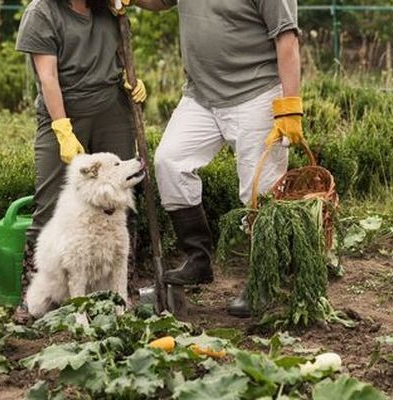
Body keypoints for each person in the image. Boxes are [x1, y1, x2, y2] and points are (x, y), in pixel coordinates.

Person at [126, 0, 304, 317]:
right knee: (170, 161)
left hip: (257, 93)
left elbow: (287, 39)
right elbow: (160, 2)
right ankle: (198, 259)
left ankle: (265, 280)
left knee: (259, 192)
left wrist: (290, 106)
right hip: (201, 94)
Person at [14, 0, 147, 320]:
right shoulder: (41, 13)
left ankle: (122, 293)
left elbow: (161, 5)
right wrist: (62, 127)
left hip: (111, 110)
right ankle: (32, 298)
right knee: (48, 204)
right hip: (62, 110)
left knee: (120, 201)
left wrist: (129, 82)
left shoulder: (109, 7)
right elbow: (48, 79)